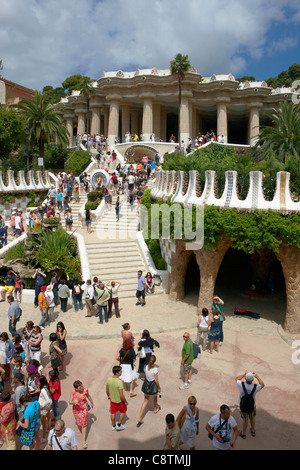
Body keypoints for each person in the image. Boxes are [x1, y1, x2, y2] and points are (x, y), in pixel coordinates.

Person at [235, 370, 265, 439]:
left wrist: (243, 374)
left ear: (245, 378)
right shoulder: (256, 387)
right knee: (252, 418)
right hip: (252, 406)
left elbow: (236, 379)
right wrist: (257, 376)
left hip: (243, 406)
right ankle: (253, 430)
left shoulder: (240, 385)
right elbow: (262, 384)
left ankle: (243, 433)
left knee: (245, 420)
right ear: (252, 380)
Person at [137, 354, 161, 427]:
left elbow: (145, 375)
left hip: (146, 384)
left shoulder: (146, 367)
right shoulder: (155, 369)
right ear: (155, 361)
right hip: (153, 385)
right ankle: (155, 408)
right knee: (155, 397)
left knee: (145, 401)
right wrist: (159, 388)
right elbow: (156, 381)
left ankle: (140, 418)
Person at [69, 380, 94, 449]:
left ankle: (83, 441)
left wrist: (92, 402)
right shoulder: (73, 392)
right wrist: (74, 401)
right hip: (76, 410)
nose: (82, 388)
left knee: (84, 424)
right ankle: (79, 426)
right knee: (79, 422)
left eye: (82, 386)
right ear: (76, 389)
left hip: (84, 409)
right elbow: (70, 401)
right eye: (80, 387)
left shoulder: (85, 390)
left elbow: (88, 396)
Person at [105, 365, 128, 431]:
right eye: (120, 371)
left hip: (112, 400)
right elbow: (121, 395)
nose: (121, 372)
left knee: (112, 412)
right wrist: (125, 401)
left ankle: (113, 425)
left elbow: (107, 390)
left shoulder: (108, 379)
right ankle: (119, 425)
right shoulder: (119, 382)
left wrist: (108, 396)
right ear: (117, 373)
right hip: (119, 401)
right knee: (123, 411)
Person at [38, 375, 52, 443]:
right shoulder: (46, 387)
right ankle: (48, 429)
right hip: (48, 406)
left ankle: (44, 437)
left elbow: (48, 400)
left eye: (38, 381)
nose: (37, 383)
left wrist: (42, 406)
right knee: (49, 417)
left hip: (44, 407)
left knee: (43, 423)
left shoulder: (43, 390)